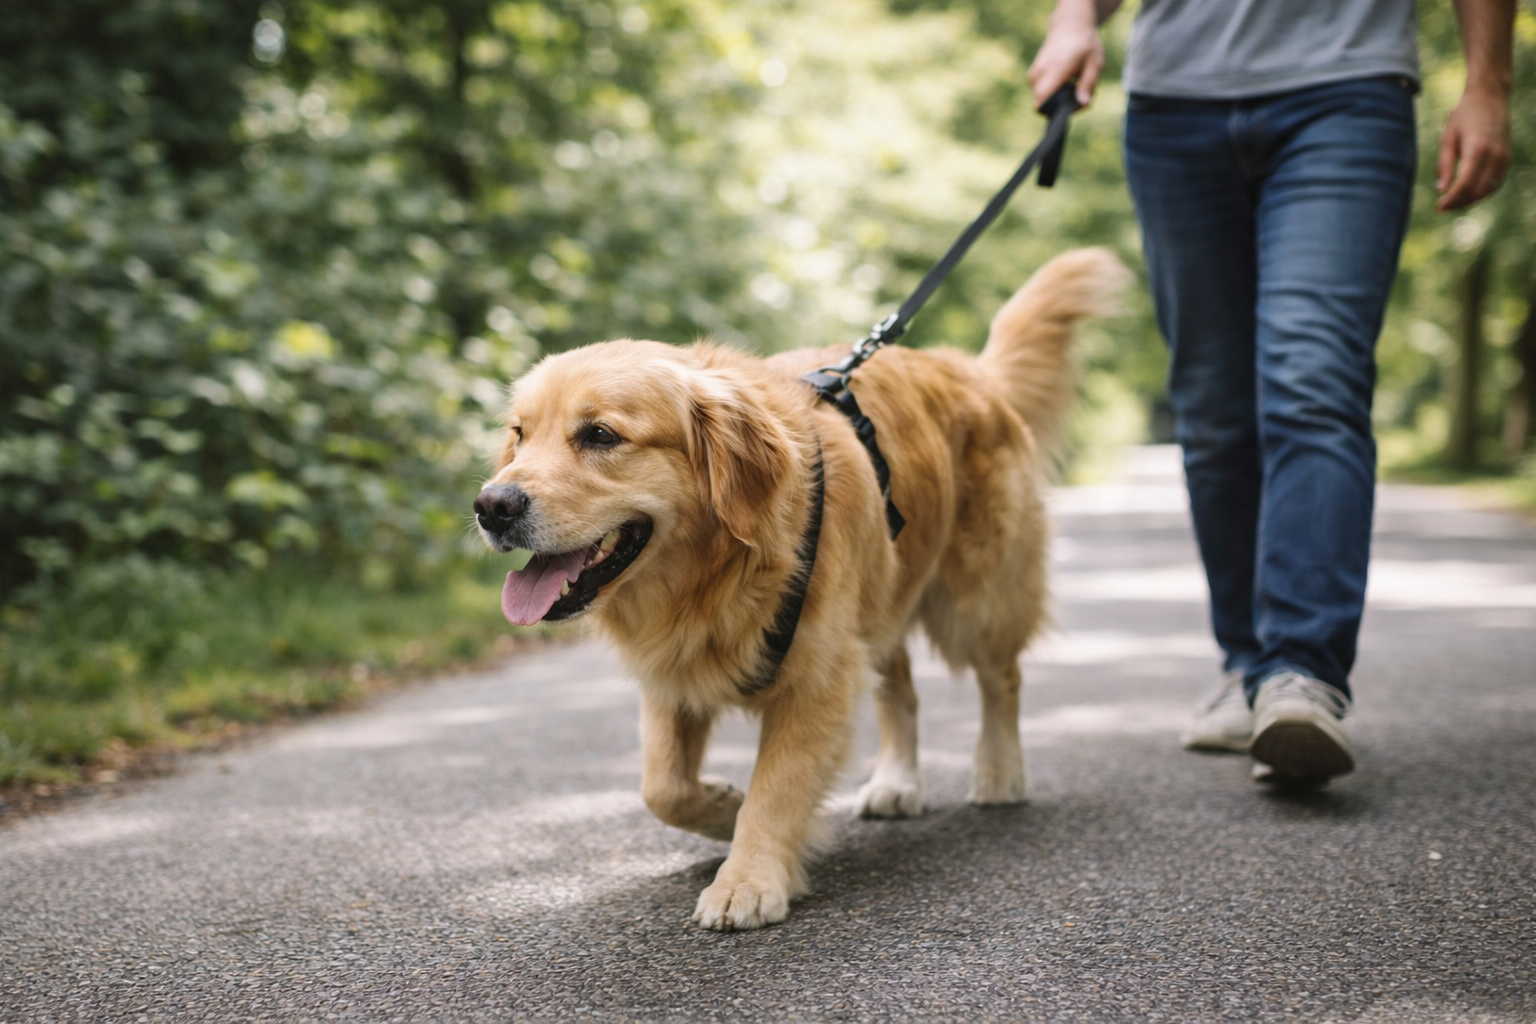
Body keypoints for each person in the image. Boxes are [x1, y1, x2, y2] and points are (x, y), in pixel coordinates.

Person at [1029, 0, 1513, 785]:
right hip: (1174, 104)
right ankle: (1248, 660)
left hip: (1347, 87)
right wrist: (1074, 18)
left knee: (1313, 378)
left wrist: (1488, 82)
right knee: (1215, 407)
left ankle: (1302, 670)